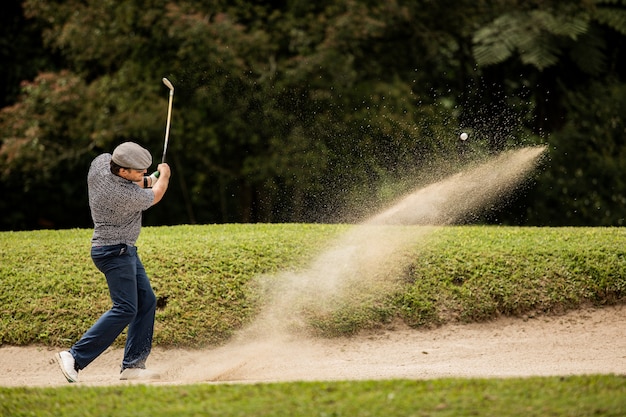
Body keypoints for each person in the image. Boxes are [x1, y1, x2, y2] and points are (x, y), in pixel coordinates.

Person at [56, 141, 171, 382]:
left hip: (121, 250)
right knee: (126, 308)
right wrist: (165, 175)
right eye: (138, 171)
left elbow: (141, 183)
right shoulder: (121, 195)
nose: (142, 173)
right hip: (114, 252)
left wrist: (149, 177)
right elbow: (156, 194)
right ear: (122, 171)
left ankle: (133, 365)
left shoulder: (100, 163)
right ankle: (74, 357)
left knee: (146, 301)